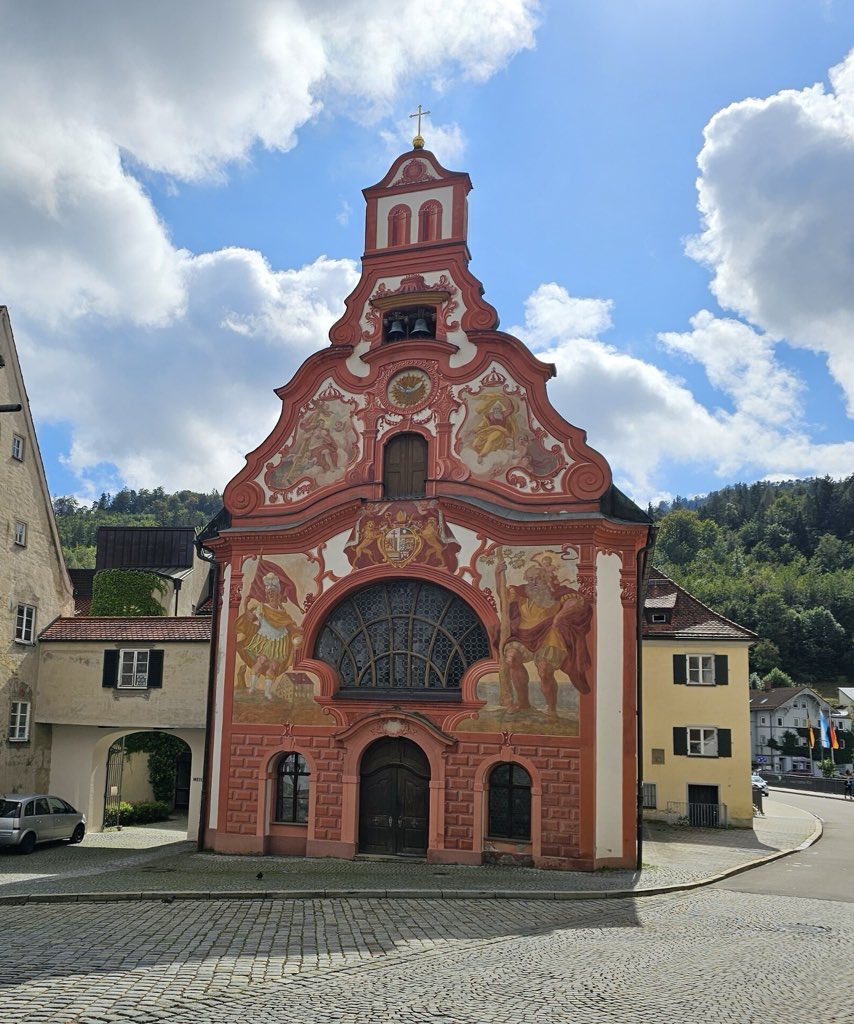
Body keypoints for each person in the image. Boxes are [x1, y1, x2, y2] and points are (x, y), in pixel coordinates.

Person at [496, 558, 592, 719]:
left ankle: (551, 708)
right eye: (530, 579)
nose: (533, 582)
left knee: (545, 669)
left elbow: (577, 601)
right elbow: (503, 596)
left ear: (545, 579)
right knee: (512, 658)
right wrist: (498, 573)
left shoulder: (556, 594)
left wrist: (558, 617)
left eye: (537, 579)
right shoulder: (520, 594)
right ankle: (523, 702)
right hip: (523, 635)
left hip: (548, 635)